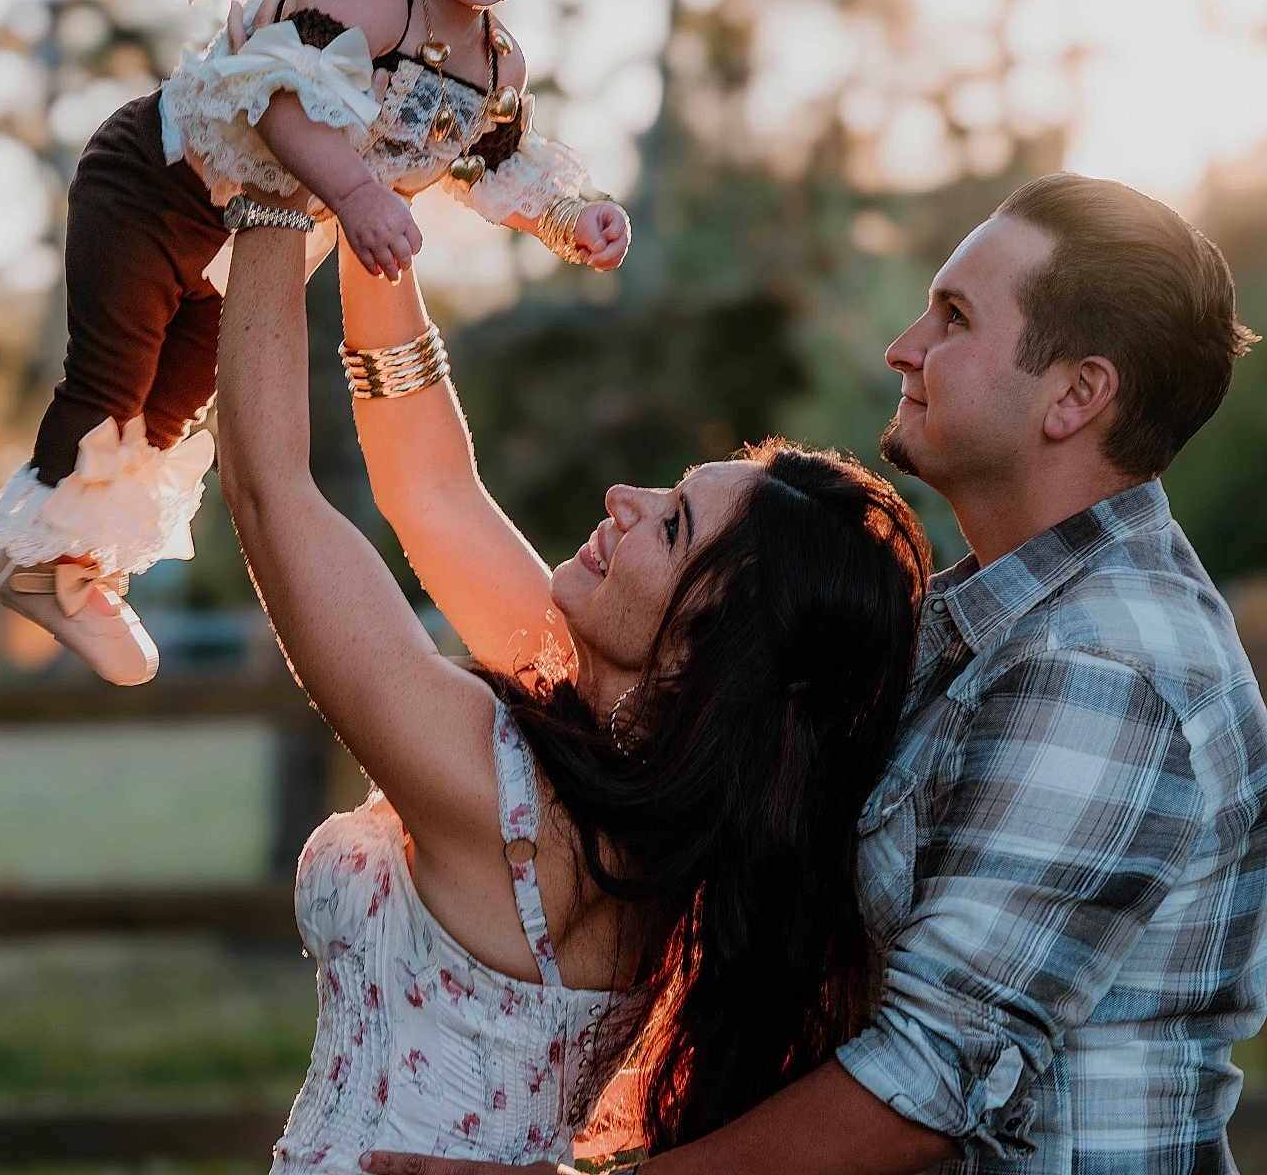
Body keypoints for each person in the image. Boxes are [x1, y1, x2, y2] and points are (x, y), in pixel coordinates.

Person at [359, 175, 1267, 1175]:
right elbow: (451, 517)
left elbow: (926, 1080)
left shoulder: (1102, 662)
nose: (902, 346)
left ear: (1075, 394)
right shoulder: (986, 628)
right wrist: (369, 214)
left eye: (954, 317)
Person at [212, 142, 930, 1168]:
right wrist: (378, 207)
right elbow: (433, 492)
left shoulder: (504, 799)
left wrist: (277, 172)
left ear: (699, 659)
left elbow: (268, 494)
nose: (622, 500)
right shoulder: (623, 801)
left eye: (673, 526)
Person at [0, 0, 628, 686]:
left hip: (240, 247)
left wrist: (572, 218)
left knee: (170, 414)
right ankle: (38, 564)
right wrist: (359, 196)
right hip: (151, 189)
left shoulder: (496, 63)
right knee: (112, 380)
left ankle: (85, 565)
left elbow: (489, 166)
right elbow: (280, 101)